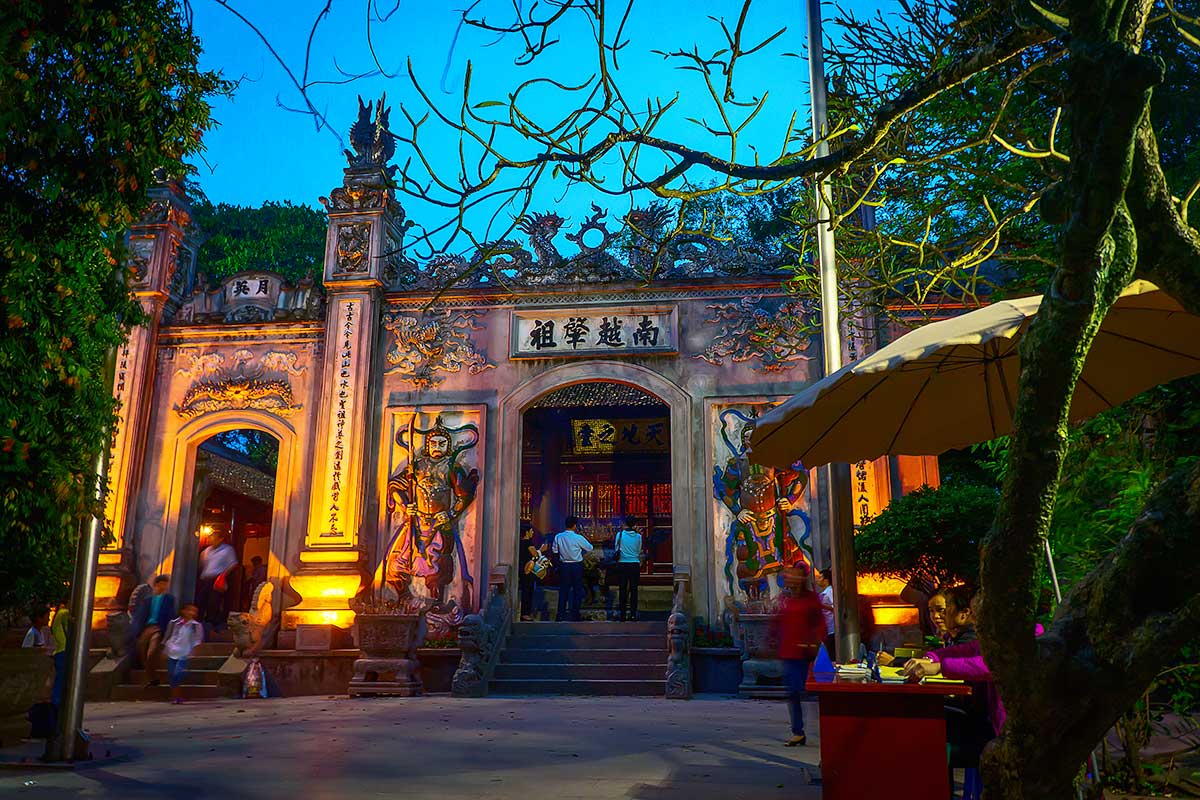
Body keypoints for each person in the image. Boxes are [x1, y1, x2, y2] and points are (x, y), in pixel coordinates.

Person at [773, 563, 825, 747]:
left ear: (802, 579)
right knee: (793, 692)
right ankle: (797, 731)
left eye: (795, 576)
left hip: (805, 651)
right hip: (788, 651)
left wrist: (815, 642)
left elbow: (819, 623)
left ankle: (822, 727)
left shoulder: (811, 599)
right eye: (789, 576)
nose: (791, 579)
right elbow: (778, 622)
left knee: (809, 691)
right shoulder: (785, 599)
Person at [130, 575, 176, 686]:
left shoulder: (169, 599)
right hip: (147, 628)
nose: (164, 586)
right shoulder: (148, 600)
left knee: (152, 652)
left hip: (158, 628)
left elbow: (170, 616)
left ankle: (152, 677)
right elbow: (140, 616)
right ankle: (150, 677)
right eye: (162, 584)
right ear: (156, 585)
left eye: (166, 584)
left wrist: (167, 632)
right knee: (141, 649)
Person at [551, 516, 592, 621]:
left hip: (564, 565)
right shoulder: (578, 538)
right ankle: (575, 615)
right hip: (576, 566)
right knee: (577, 590)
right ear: (575, 526)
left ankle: (560, 615)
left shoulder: (558, 537)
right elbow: (590, 548)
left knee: (563, 590)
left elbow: (555, 551)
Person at [162, 604, 205, 704]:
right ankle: (175, 697)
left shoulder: (196, 625)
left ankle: (177, 695)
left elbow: (198, 639)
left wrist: (194, 651)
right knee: (171, 674)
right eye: (190, 610)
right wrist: (165, 649)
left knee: (178, 674)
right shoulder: (173, 623)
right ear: (183, 611)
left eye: (194, 611)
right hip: (172, 651)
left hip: (185, 653)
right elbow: (168, 636)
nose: (192, 613)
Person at [197, 532, 238, 630]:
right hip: (205, 579)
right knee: (201, 601)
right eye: (210, 538)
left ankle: (212, 625)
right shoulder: (207, 550)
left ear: (220, 539)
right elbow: (202, 564)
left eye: (213, 538)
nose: (211, 540)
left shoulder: (227, 550)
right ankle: (200, 624)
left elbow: (233, 564)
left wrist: (223, 575)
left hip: (217, 579)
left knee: (214, 602)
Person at [613, 516, 644, 622]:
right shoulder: (638, 536)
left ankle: (622, 614)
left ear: (626, 523)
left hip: (622, 564)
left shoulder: (620, 535)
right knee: (634, 589)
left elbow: (616, 548)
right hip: (634, 564)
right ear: (634, 525)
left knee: (622, 589)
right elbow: (639, 550)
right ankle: (633, 614)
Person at [518, 523, 547, 620]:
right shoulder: (528, 543)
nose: (533, 532)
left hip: (523, 568)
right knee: (527, 591)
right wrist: (541, 550)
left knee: (526, 590)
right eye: (531, 531)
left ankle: (525, 613)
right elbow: (535, 555)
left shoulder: (520, 542)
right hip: (528, 570)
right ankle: (525, 613)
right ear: (527, 532)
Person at [49, 602, 69, 707]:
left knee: (59, 678)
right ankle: (57, 702)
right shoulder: (65, 612)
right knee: (61, 678)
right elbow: (68, 630)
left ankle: (57, 701)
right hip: (63, 650)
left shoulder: (59, 613)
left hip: (59, 650)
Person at [814, 568, 835, 657]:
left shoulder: (830, 592)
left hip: (832, 628)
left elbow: (835, 607)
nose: (817, 580)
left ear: (826, 580)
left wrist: (822, 606)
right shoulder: (823, 593)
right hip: (826, 628)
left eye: (820, 577)